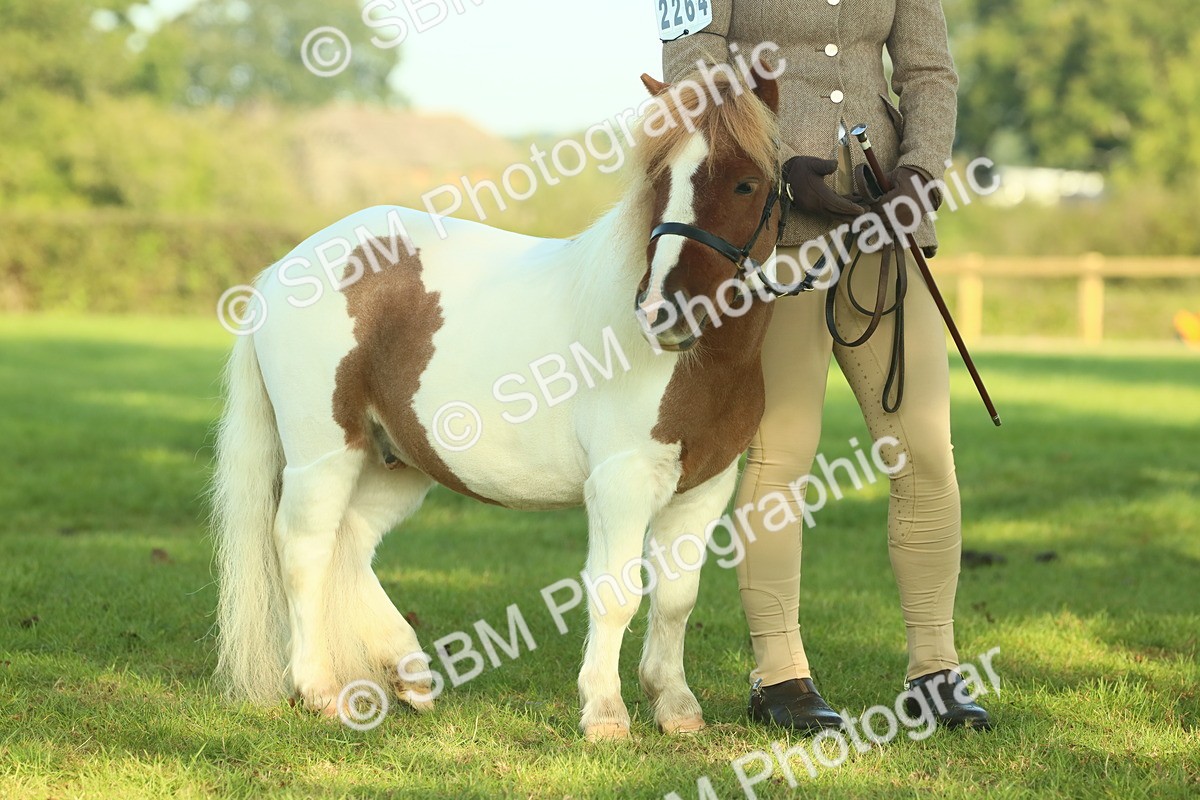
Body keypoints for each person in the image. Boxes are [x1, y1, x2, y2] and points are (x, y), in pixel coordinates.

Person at [662, 0, 992, 731]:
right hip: (774, 227)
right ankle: (779, 676)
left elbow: (929, 72)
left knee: (924, 448)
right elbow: (691, 68)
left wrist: (920, 172)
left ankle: (935, 670)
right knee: (782, 454)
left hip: (884, 219)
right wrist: (770, 163)